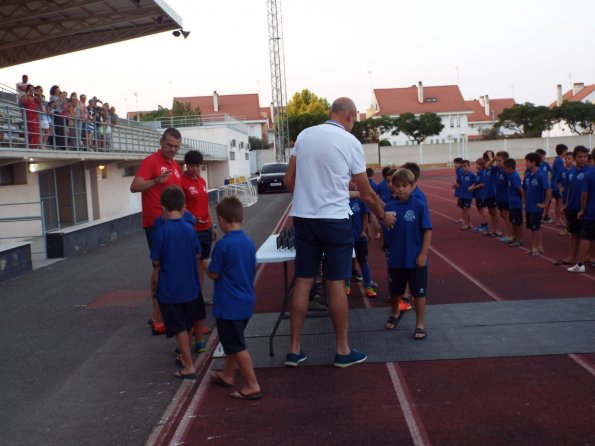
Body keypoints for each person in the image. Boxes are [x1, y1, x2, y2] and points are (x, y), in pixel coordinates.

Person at [282, 97, 395, 368]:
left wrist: (310, 193)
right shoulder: (350, 142)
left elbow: (288, 181)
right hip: (334, 220)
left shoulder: (304, 136)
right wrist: (382, 215)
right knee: (335, 283)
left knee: (304, 281)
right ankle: (342, 350)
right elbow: (366, 192)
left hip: (304, 218)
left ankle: (294, 349)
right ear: (351, 116)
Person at [207, 196, 262, 400]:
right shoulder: (248, 242)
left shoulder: (223, 245)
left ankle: (252, 384)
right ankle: (228, 375)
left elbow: (214, 273)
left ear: (221, 220)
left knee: (237, 345)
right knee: (231, 341)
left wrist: (206, 265)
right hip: (245, 300)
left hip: (228, 304)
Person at [130, 128, 184, 334]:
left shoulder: (176, 166)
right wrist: (155, 181)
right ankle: (157, 317)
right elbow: (134, 187)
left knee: (174, 267)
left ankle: (173, 315)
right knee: (160, 267)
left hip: (176, 224)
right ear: (161, 142)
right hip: (156, 224)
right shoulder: (151, 161)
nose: (172, 150)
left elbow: (179, 195)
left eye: (176, 147)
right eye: (169, 145)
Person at [150, 186, 205, 380]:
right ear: (183, 207)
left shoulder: (161, 232)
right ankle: (186, 356)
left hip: (170, 288)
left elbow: (156, 260)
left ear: (163, 208)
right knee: (187, 324)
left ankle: (189, 365)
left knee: (179, 327)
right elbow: (198, 253)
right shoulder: (190, 229)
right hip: (190, 285)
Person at [382, 168, 432, 340]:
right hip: (396, 258)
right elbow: (385, 229)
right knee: (395, 290)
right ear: (393, 187)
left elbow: (427, 230)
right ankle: (395, 313)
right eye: (397, 186)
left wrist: (423, 254)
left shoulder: (418, 205)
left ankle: (420, 324)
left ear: (413, 186)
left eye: (405, 185)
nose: (401, 189)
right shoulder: (388, 207)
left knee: (418, 292)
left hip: (415, 258)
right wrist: (384, 243)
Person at [181, 150, 217, 304]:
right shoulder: (181, 182)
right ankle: (192, 297)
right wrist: (192, 219)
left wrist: (212, 224)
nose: (195, 169)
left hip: (206, 229)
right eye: (192, 166)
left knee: (202, 264)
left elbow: (206, 204)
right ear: (186, 165)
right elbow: (181, 207)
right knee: (193, 264)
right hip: (192, 230)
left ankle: (199, 296)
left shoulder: (202, 181)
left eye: (198, 166)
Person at [556, 146, 591, 266]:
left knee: (588, 234)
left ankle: (588, 256)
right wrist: (564, 204)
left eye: (585, 157)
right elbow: (567, 190)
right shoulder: (569, 172)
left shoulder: (590, 171)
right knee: (574, 233)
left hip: (587, 209)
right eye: (580, 157)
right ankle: (572, 256)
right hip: (572, 207)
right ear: (575, 158)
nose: (583, 159)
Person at [346, 179, 377, 298]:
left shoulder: (360, 199)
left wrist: (364, 230)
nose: (351, 184)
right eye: (349, 182)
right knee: (347, 261)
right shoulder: (344, 199)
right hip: (347, 237)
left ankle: (368, 285)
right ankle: (347, 285)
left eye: (353, 182)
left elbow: (365, 216)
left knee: (363, 260)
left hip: (359, 237)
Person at [523, 152, 551, 256]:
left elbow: (548, 190)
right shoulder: (528, 174)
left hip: (536, 206)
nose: (525, 163)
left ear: (534, 162)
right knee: (533, 227)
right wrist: (524, 202)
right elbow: (524, 189)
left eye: (527, 161)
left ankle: (534, 247)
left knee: (535, 228)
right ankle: (539, 246)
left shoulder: (540, 175)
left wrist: (545, 204)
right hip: (529, 206)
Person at [568, 163, 594, 272]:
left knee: (586, 237)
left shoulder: (588, 174)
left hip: (592, 212)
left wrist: (582, 210)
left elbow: (584, 195)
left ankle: (580, 264)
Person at [503, 158, 524, 247]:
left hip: (516, 204)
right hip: (512, 203)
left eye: (505, 168)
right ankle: (515, 237)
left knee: (518, 222)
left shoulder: (514, 177)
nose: (504, 170)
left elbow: (519, 189)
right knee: (514, 222)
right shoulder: (510, 176)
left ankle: (519, 239)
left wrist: (523, 200)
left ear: (511, 167)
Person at [482, 150, 500, 237]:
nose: (487, 160)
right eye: (485, 158)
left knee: (495, 212)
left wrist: (491, 157)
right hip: (487, 193)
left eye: (488, 158)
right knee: (491, 212)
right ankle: (493, 229)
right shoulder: (486, 168)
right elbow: (486, 165)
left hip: (493, 193)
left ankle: (497, 230)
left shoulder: (494, 169)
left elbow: (492, 165)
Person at [468, 158, 490, 233]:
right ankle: (483, 224)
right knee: (479, 209)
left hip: (481, 194)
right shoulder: (479, 172)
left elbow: (482, 184)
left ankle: (485, 225)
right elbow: (477, 182)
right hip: (477, 194)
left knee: (481, 209)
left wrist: (473, 188)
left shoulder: (483, 173)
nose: (475, 165)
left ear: (481, 165)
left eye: (477, 164)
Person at [454, 160, 475, 230]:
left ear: (469, 166)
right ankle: (469, 223)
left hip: (468, 194)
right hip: (462, 194)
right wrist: (455, 185)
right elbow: (460, 184)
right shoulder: (462, 175)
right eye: (462, 166)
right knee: (465, 209)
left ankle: (468, 223)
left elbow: (475, 182)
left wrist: (472, 187)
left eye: (465, 166)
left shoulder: (471, 175)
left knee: (467, 208)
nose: (463, 168)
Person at [550, 144, 568, 227]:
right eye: (566, 151)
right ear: (563, 151)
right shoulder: (560, 161)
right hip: (557, 185)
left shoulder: (557, 160)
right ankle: (560, 219)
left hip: (554, 184)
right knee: (560, 203)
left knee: (558, 203)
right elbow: (562, 173)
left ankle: (559, 220)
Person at [535, 149, 553, 223]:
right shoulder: (535, 165)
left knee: (548, 201)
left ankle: (546, 215)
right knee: (539, 201)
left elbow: (552, 171)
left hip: (546, 186)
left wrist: (550, 179)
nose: (543, 158)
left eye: (544, 156)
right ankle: (539, 216)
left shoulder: (546, 164)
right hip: (538, 187)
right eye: (542, 156)